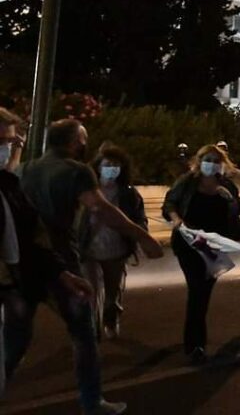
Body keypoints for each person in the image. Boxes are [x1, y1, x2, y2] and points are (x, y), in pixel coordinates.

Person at [18, 118, 162, 415]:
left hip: (29, 262)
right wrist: (143, 236)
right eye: (83, 139)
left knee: (15, 337)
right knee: (84, 335)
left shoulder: (26, 169)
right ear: (75, 142)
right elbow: (101, 207)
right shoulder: (77, 171)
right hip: (63, 264)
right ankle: (92, 402)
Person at [0, 109, 93, 402]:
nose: (9, 148)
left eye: (13, 143)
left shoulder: (9, 186)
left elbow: (29, 239)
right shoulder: (74, 172)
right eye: (5, 142)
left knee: (15, 341)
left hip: (19, 279)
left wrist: (60, 272)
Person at [162, 144, 240, 364]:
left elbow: (239, 209)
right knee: (197, 290)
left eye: (216, 161)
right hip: (188, 244)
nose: (211, 164)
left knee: (203, 293)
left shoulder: (226, 185)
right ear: (199, 162)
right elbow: (169, 203)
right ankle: (195, 344)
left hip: (213, 247)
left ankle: (196, 340)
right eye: (207, 160)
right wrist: (176, 219)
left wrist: (230, 199)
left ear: (222, 164)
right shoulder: (187, 182)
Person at [80, 144, 147, 340]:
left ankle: (111, 319)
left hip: (116, 250)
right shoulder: (87, 191)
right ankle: (92, 329)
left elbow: (139, 218)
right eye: (107, 165)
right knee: (91, 291)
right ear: (98, 167)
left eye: (116, 165)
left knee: (112, 292)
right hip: (89, 249)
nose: (112, 169)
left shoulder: (128, 194)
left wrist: (139, 236)